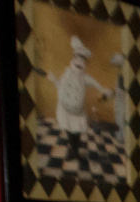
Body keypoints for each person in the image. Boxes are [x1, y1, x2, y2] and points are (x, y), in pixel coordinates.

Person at [36, 35, 112, 168]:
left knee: (77, 132)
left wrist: (104, 90)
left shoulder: (85, 78)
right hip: (65, 109)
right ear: (73, 59)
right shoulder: (67, 74)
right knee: (70, 131)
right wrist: (54, 79)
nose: (79, 62)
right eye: (77, 58)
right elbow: (60, 86)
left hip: (78, 111)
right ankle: (73, 150)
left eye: (82, 60)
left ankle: (75, 151)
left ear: (84, 63)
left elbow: (97, 85)